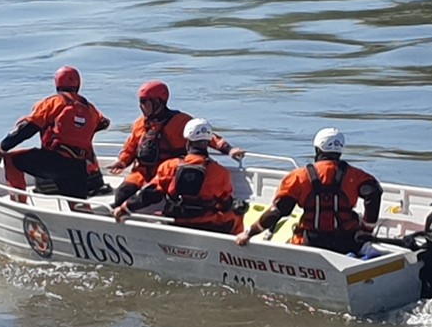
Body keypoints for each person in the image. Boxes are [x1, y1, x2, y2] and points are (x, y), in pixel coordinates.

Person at [236, 127, 380, 253]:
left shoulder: (299, 177)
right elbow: (374, 193)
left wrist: (249, 233)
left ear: (317, 149)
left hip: (311, 242)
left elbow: (278, 211)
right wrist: (367, 228)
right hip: (348, 241)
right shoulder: (357, 176)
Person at [108, 80, 244, 208]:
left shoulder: (179, 122)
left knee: (158, 196)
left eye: (144, 102)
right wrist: (122, 162)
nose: (141, 106)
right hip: (142, 173)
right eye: (140, 101)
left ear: (158, 102)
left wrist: (229, 150)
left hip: (168, 173)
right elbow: (130, 148)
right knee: (122, 194)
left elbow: (207, 136)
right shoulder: (140, 124)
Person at [0, 65, 110, 199]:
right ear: (78, 84)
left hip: (54, 161)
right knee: (78, 205)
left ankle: (18, 203)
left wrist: (3, 146)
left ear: (57, 83)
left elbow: (28, 127)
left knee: (11, 159)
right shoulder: (90, 109)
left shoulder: (53, 103)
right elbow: (104, 123)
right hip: (79, 166)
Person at [112, 118, 243, 235]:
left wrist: (125, 207)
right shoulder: (220, 173)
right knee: (237, 215)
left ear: (187, 141)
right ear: (208, 142)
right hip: (206, 223)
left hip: (175, 221)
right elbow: (225, 202)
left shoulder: (169, 166)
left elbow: (150, 194)